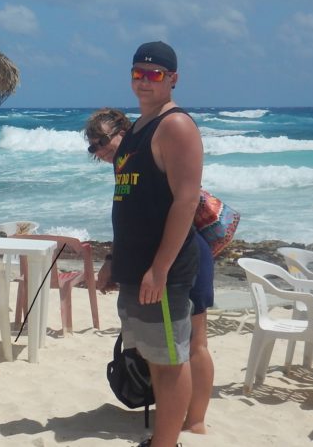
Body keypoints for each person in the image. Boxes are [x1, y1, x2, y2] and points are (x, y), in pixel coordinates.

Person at [95, 41, 203, 447]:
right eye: (138, 72)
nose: (144, 80)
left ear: (172, 79)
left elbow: (186, 201)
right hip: (135, 270)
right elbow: (129, 203)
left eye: (154, 73)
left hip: (163, 272)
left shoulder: (175, 125)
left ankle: (166, 443)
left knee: (170, 362)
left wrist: (159, 268)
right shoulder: (138, 129)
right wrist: (114, 261)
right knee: (155, 359)